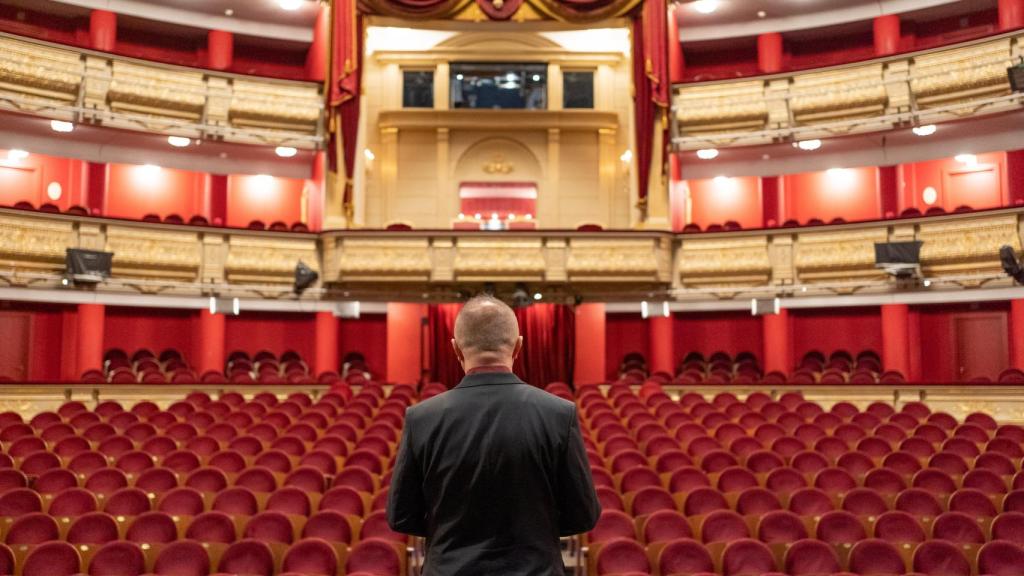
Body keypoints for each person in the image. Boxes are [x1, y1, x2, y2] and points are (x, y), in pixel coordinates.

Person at [387, 295, 600, 575]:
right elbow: (583, 516)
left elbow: (401, 517)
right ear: (519, 347)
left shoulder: (422, 418)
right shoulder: (559, 414)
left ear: (456, 350)